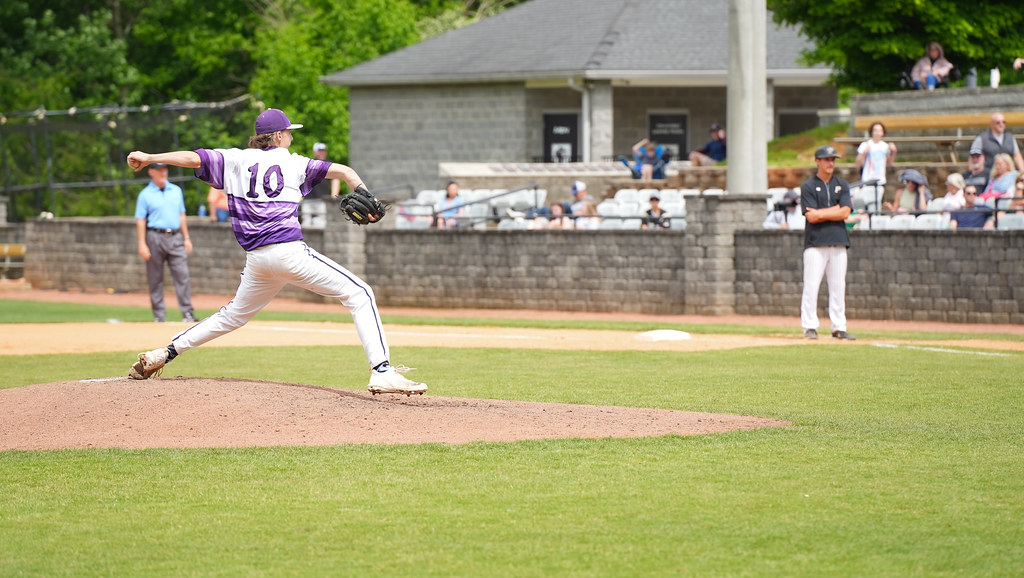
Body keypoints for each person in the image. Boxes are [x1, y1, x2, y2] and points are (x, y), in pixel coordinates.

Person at [124, 108, 426, 396]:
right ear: (278, 135)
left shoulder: (235, 159)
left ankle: (165, 352)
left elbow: (193, 158)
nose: (291, 137)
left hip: (257, 261)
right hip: (289, 253)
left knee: (232, 317)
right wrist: (367, 195)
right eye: (289, 133)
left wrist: (150, 157)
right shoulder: (295, 163)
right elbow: (345, 171)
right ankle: (382, 371)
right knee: (360, 293)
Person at [800, 145, 855, 341]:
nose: (831, 163)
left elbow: (845, 211)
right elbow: (811, 217)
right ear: (818, 161)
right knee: (811, 286)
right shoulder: (808, 186)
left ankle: (839, 326)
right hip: (816, 243)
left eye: (833, 159)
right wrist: (835, 210)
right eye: (827, 159)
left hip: (838, 241)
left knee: (838, 286)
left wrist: (822, 213)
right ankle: (809, 326)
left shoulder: (842, 184)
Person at [134, 162, 196, 323]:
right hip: (155, 236)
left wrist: (186, 237)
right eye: (159, 170)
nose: (163, 173)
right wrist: (141, 243)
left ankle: (187, 313)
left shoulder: (176, 190)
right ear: (151, 172)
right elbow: (140, 220)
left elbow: (182, 215)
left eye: (165, 170)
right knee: (155, 278)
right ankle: (159, 315)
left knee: (182, 275)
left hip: (175, 236)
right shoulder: (145, 195)